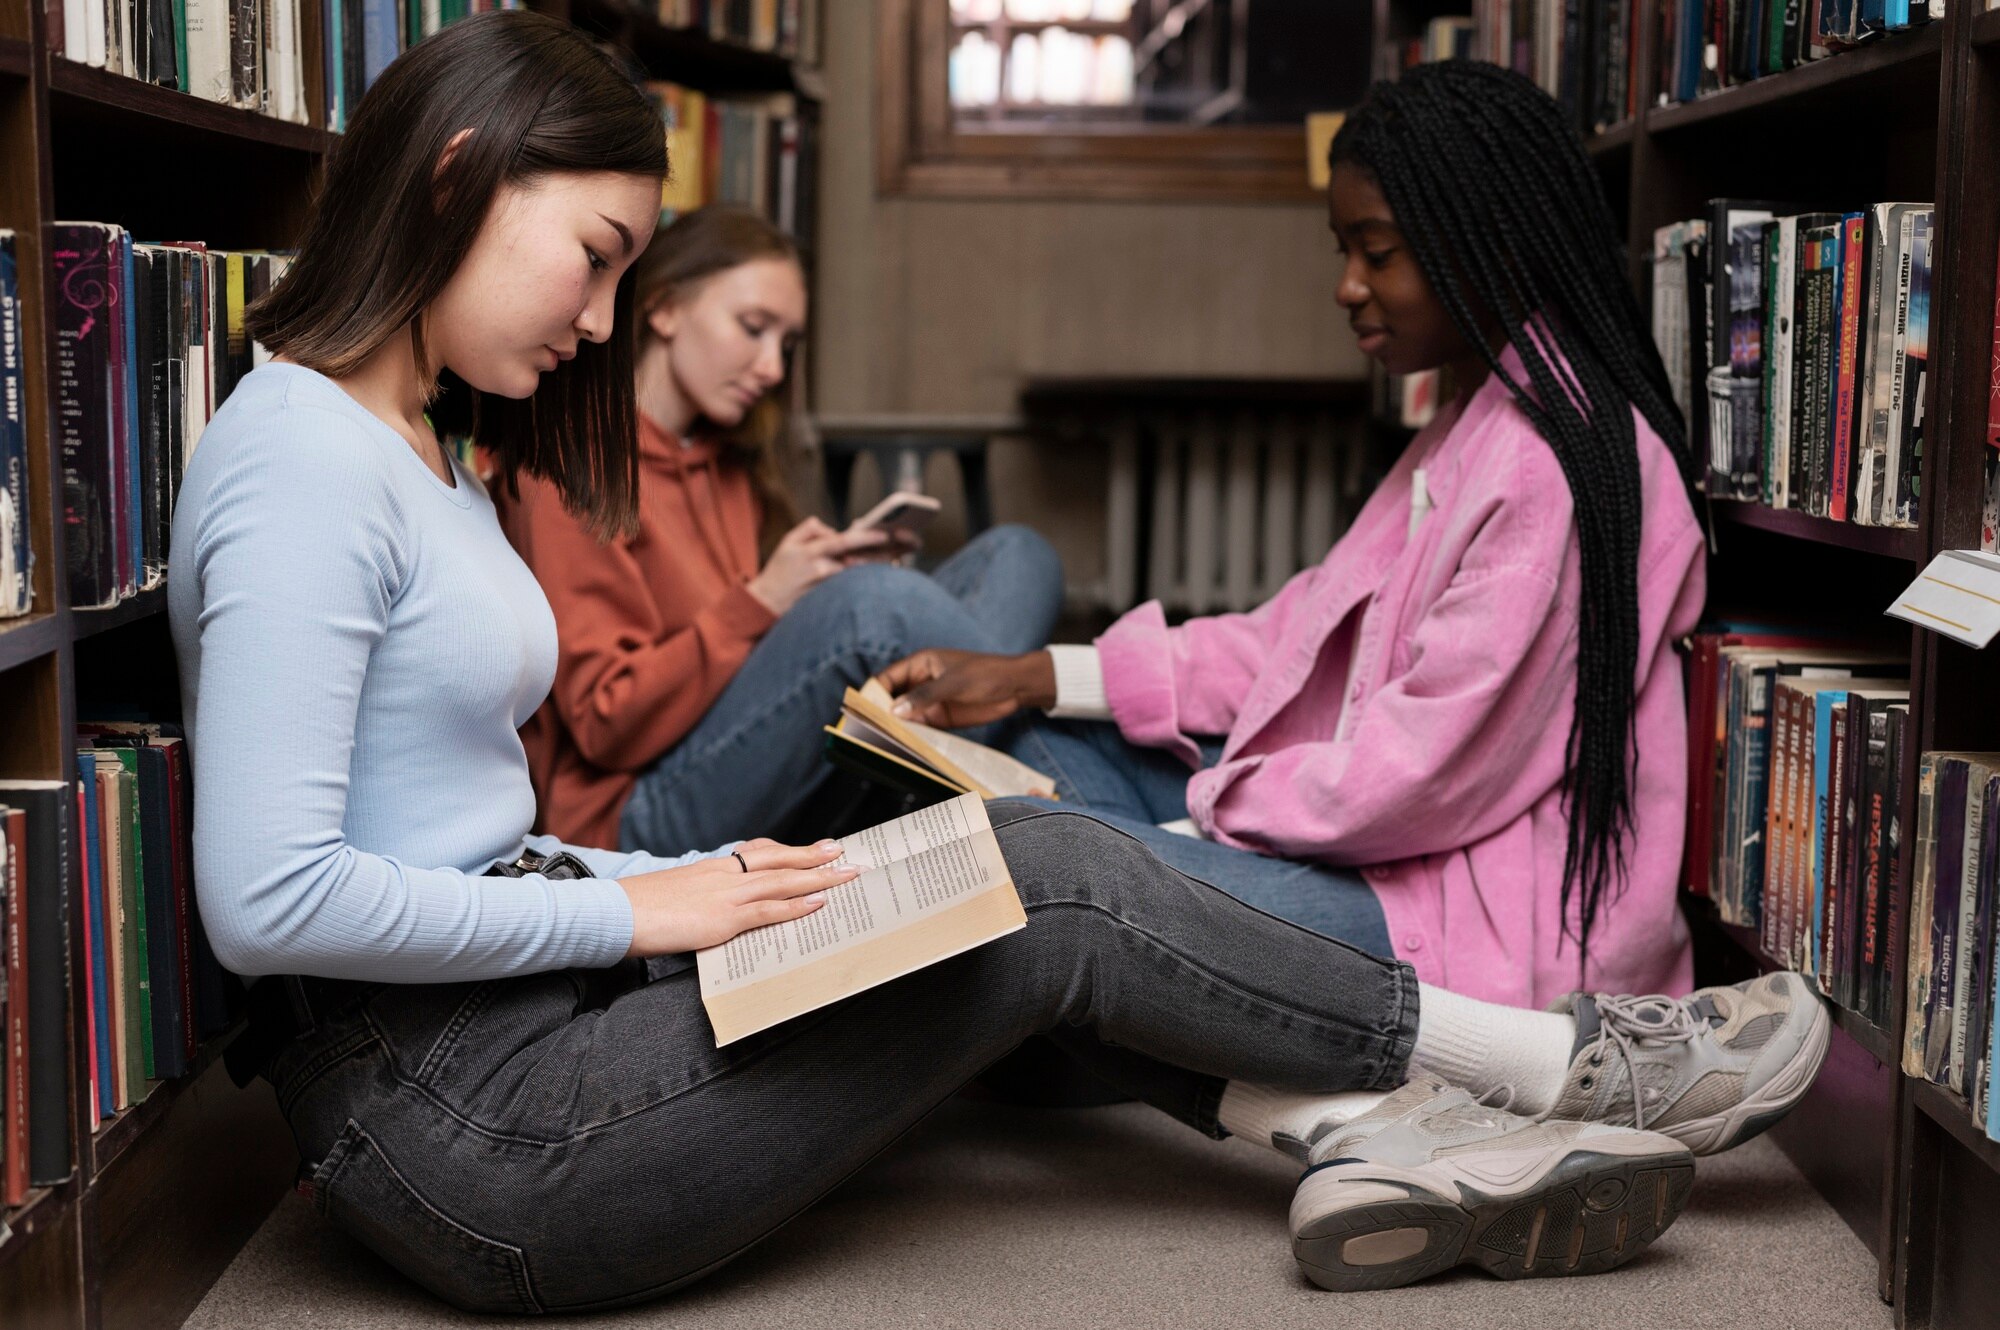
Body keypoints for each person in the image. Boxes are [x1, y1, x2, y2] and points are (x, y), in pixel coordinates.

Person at [167, 24, 1827, 1311]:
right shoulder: (302, 459)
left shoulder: (413, 441)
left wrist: (682, 875)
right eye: (598, 255)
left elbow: (447, 826)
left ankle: (1369, 1123)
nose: (604, 320)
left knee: (973, 895)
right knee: (1043, 877)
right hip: (477, 1135)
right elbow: (271, 902)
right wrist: (634, 903)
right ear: (456, 176)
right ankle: (1575, 1068)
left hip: (526, 1019)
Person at [881, 60, 1707, 1013]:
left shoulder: (1551, 464)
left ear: (1491, 243)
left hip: (1460, 932)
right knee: (1032, 755)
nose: (1348, 287)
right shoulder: (1483, 416)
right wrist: (1041, 673)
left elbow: (1415, 778)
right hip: (1371, 858)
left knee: (1045, 864)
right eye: (1342, 251)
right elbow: (1295, 636)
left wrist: (1197, 815)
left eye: (1378, 251)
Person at [493, 205, 1064, 855]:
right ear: (665, 309)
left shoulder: (733, 461)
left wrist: (812, 587)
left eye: (786, 345)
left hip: (765, 756)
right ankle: (1063, 802)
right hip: (634, 811)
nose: (772, 369)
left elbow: (766, 665)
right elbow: (605, 725)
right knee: (874, 608)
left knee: (1021, 556)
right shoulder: (572, 469)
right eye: (752, 328)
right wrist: (769, 599)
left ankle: (966, 776)